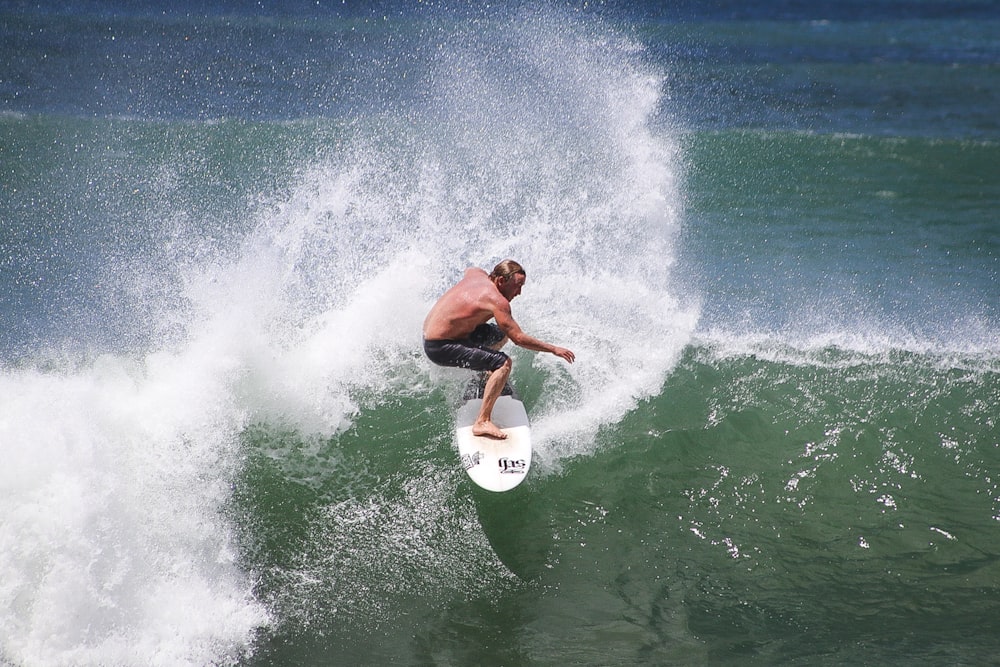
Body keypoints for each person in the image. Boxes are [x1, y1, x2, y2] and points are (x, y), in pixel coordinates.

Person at [423, 259, 575, 439]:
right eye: (517, 286)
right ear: (501, 281)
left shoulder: (478, 275)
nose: (519, 292)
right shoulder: (497, 301)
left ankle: (484, 371)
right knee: (503, 363)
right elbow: (518, 338)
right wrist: (553, 349)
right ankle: (482, 421)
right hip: (440, 346)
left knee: (501, 333)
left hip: (438, 333)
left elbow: (470, 269)